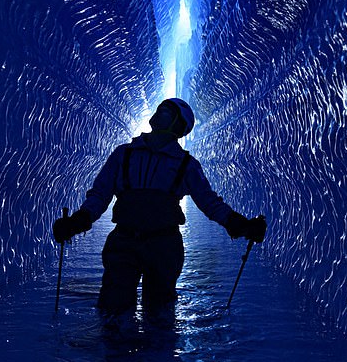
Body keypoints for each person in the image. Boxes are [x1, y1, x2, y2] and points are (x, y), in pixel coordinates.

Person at [52, 98, 266, 319]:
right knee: (114, 312)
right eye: (162, 108)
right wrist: (78, 221)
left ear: (178, 126)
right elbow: (99, 194)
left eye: (168, 111)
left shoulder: (186, 164)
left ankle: (147, 350)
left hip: (163, 246)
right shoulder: (123, 154)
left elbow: (209, 202)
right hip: (128, 241)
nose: (161, 111)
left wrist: (239, 224)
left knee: (158, 314)